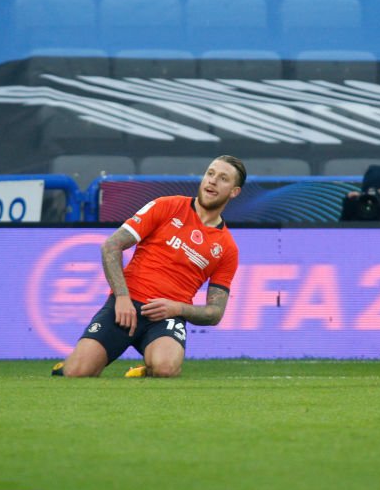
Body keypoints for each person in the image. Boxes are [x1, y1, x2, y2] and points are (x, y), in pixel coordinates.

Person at [52, 155, 246, 378]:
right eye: (210, 173)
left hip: (166, 317)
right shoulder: (166, 206)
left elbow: (215, 313)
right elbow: (111, 246)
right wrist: (122, 298)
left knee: (166, 369)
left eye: (223, 178)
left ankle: (147, 370)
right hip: (125, 307)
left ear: (234, 192)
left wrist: (177, 309)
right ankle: (66, 367)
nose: (212, 181)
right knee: (77, 372)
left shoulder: (227, 248)